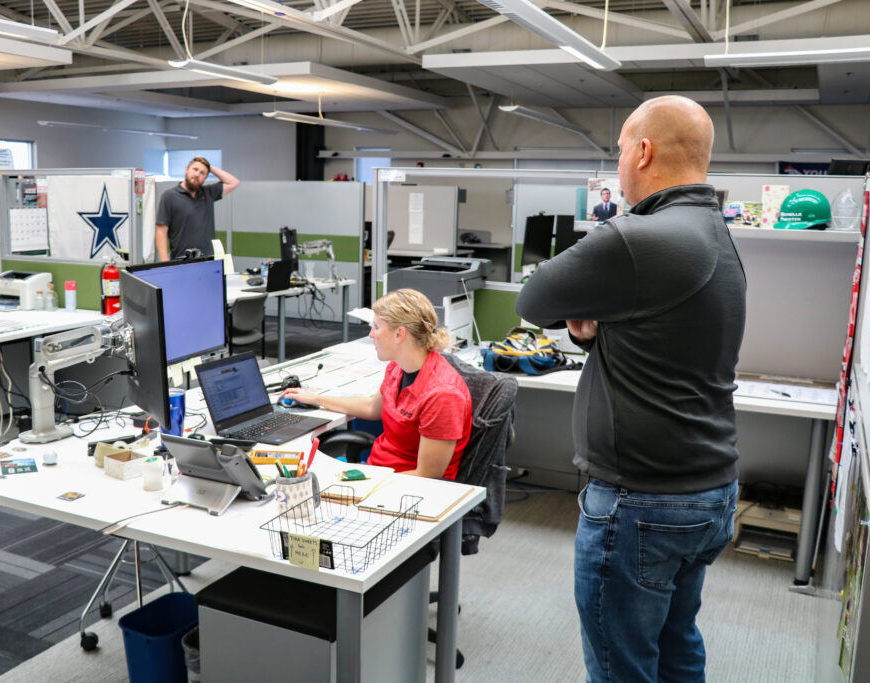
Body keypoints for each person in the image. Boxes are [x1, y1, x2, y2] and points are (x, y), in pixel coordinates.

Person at [515, 95, 744, 683]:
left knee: (623, 667)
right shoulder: (716, 233)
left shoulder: (636, 236)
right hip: (707, 491)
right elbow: (660, 337)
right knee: (676, 645)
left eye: (618, 150)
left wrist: (585, 316)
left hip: (642, 503)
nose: (617, 163)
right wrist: (596, 329)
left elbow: (533, 300)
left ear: (643, 151)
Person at [282, 289, 472, 479]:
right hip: (379, 471)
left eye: (376, 327)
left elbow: (427, 475)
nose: (371, 334)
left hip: (405, 487)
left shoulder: (443, 395)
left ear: (399, 334)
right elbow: (372, 407)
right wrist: (316, 399)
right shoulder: (398, 367)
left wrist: (366, 482)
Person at [155, 157, 239, 261]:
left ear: (205, 177)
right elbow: (161, 231)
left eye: (202, 173)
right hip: (181, 261)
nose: (197, 174)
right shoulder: (169, 196)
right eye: (195, 169)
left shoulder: (208, 193)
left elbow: (233, 182)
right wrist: (164, 262)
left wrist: (210, 167)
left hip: (208, 260)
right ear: (186, 169)